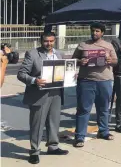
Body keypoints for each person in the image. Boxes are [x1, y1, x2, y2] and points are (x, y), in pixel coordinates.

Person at [17, 32, 69, 164]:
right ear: (41, 41)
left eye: (51, 41)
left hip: (56, 92)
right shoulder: (33, 54)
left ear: (55, 41)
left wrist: (70, 76)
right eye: (46, 41)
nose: (49, 44)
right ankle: (34, 152)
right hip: (39, 94)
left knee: (54, 121)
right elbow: (21, 74)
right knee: (37, 124)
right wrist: (35, 80)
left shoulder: (59, 54)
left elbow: (64, 71)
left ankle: (53, 146)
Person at [72, 22, 118, 148]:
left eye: (97, 31)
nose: (94, 33)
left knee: (103, 108)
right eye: (93, 31)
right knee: (83, 109)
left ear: (102, 33)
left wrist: (110, 60)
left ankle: (103, 131)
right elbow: (72, 60)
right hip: (86, 81)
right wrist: (80, 61)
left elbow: (115, 61)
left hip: (104, 81)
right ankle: (80, 136)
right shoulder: (83, 45)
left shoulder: (108, 46)